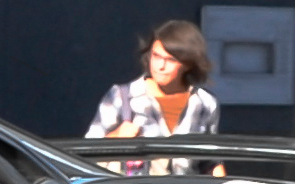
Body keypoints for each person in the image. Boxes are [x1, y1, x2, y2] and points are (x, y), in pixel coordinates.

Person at [86, 20, 220, 156]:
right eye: (156, 56)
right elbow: (86, 152)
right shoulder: (122, 96)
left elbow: (210, 161)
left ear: (188, 64)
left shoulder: (205, 103)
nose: (160, 66)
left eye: (171, 60)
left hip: (186, 178)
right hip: (136, 177)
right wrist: (116, 137)